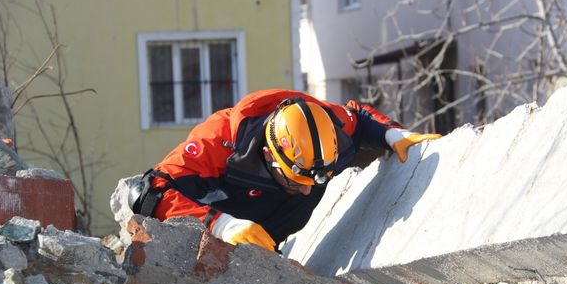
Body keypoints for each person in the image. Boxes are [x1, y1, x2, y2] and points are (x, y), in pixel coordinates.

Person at [130, 89, 440, 252]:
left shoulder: (328, 127)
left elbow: (360, 117)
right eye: (296, 180)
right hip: (219, 227)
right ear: (268, 154)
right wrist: (220, 225)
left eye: (314, 180)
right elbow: (152, 190)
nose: (307, 189)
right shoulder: (216, 143)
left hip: (272, 235)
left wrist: (393, 135)